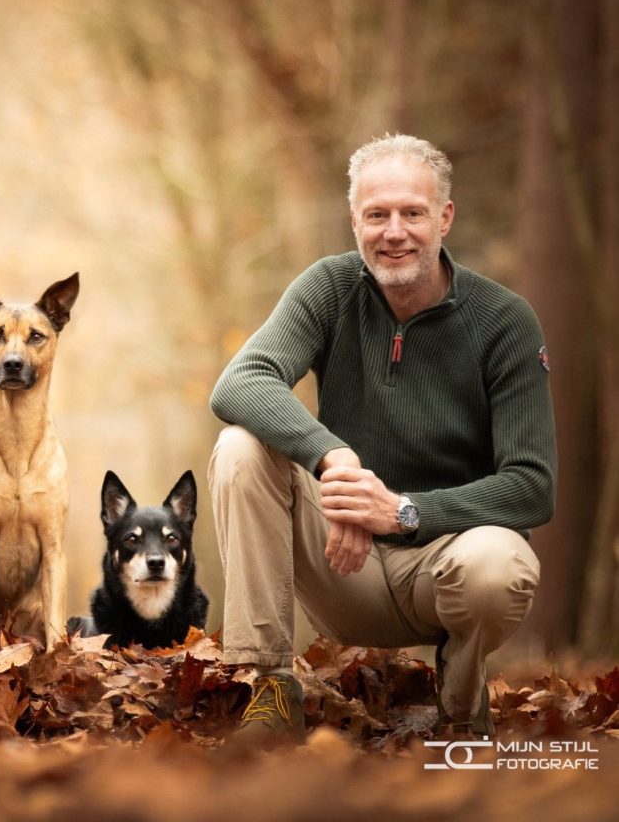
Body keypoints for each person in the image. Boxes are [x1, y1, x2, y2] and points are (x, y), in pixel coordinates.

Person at [208, 134, 555, 743]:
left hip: (446, 566)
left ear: (444, 217)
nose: (394, 231)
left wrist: (399, 511)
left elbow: (531, 488)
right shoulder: (331, 288)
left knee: (498, 563)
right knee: (240, 447)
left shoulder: (504, 321)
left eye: (412, 213)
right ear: (355, 222)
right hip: (345, 563)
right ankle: (270, 689)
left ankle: (461, 708)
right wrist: (335, 463)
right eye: (377, 215)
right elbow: (239, 382)